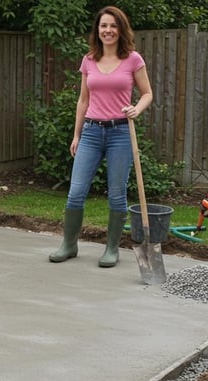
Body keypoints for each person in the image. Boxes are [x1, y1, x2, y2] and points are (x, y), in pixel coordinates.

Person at [49, 5, 153, 267]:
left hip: (120, 132)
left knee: (116, 193)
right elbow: (83, 100)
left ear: (121, 29)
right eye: (104, 25)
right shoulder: (89, 60)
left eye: (113, 25)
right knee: (76, 192)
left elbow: (147, 93)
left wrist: (136, 109)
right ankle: (69, 245)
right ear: (98, 30)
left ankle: (111, 249)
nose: (108, 30)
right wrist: (76, 135)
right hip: (91, 132)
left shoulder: (133, 59)